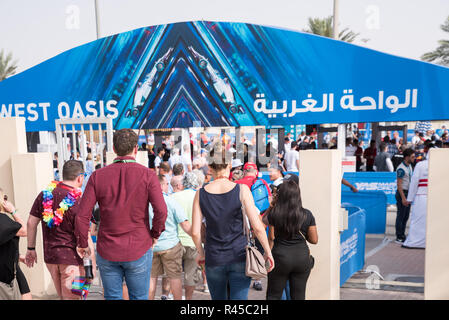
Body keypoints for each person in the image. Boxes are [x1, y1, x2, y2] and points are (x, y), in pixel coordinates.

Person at [74, 129, 168, 300]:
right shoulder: (148, 175)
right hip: (138, 245)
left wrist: (82, 242)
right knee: (139, 297)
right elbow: (161, 210)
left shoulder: (97, 176)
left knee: (112, 296)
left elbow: (82, 215)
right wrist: (155, 234)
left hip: (108, 247)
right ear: (135, 149)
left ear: (114, 149)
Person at [191, 143, 274, 300]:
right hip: (239, 256)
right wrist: (268, 252)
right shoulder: (242, 190)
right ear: (230, 165)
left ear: (209, 166)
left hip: (214, 257)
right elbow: (257, 226)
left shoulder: (200, 194)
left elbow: (195, 232)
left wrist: (201, 253)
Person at [25, 160, 96, 300]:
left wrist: (31, 248)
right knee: (74, 296)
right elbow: (85, 233)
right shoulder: (79, 201)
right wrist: (92, 262)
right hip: (72, 260)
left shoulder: (45, 195)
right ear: (80, 177)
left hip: (51, 258)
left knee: (64, 296)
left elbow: (30, 223)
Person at [263, 179, 318, 300]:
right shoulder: (307, 214)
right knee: (298, 296)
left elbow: (263, 221)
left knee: (273, 295)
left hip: (280, 258)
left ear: (281, 196)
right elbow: (314, 240)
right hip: (301, 259)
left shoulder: (275, 214)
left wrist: (271, 206)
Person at [149, 175, 192, 300]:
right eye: (167, 184)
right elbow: (184, 224)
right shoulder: (170, 201)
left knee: (151, 278)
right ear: (162, 185)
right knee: (175, 277)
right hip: (171, 246)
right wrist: (196, 237)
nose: (168, 187)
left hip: (152, 245)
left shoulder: (146, 202)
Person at [170, 170, 206, 299]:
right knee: (190, 275)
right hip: (194, 241)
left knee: (175, 274)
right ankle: (188, 299)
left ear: (183, 183)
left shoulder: (173, 197)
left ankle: (175, 297)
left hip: (175, 242)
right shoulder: (200, 196)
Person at [0, 189, 32, 300]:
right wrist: (13, 211)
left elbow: (4, 247)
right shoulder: (3, 220)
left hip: (11, 266)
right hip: (6, 273)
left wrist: (18, 257)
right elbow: (26, 231)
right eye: (5, 198)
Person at [402, 142, 433, 249]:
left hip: (421, 197)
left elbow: (414, 183)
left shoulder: (420, 165)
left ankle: (415, 242)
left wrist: (409, 198)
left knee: (418, 220)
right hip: (435, 198)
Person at [395, 148, 415, 244]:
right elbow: (399, 185)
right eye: (412, 157)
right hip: (402, 193)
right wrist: (403, 198)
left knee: (406, 216)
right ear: (407, 157)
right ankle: (399, 236)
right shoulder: (401, 168)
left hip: (408, 193)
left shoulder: (409, 166)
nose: (414, 158)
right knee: (401, 215)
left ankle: (402, 234)